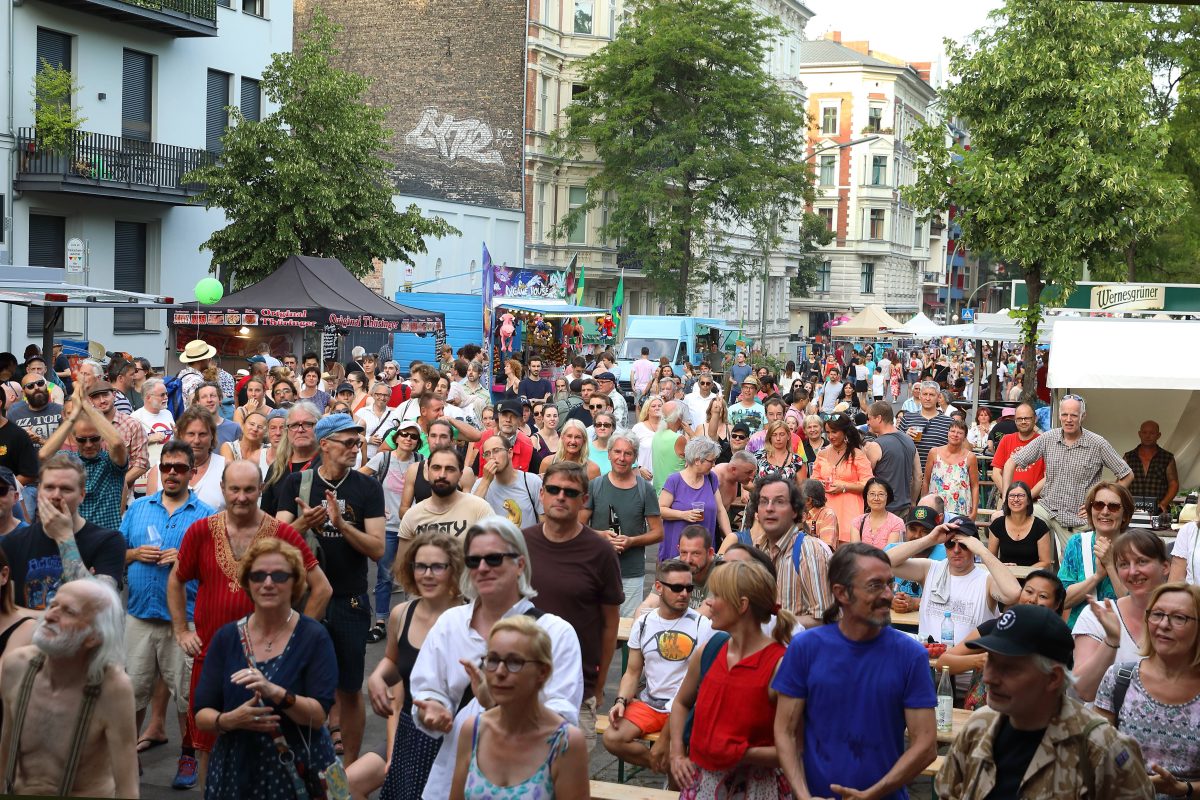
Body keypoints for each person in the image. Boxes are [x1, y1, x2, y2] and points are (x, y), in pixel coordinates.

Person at [168, 459, 330, 774]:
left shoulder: (281, 533)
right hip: (212, 659)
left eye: (248, 490)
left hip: (270, 663)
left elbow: (322, 588)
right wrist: (181, 630)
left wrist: (297, 639)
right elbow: (176, 579)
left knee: (271, 748)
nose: (241, 497)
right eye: (234, 490)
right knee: (210, 747)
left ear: (260, 490)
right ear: (222, 489)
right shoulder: (201, 531)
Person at [408, 517, 583, 799]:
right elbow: (428, 686)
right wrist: (432, 709)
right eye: (474, 561)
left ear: (520, 564)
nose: (483, 568)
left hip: (527, 784)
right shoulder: (450, 623)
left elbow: (562, 717)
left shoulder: (555, 633)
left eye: (494, 558)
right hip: (451, 777)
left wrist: (500, 706)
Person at [934, 604, 1154, 799]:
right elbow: (948, 791)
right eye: (991, 661)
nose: (990, 677)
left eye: (1009, 668)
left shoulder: (1101, 748)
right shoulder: (978, 727)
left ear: (1053, 678)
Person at [774, 543, 937, 798]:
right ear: (842, 593)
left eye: (889, 584)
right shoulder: (806, 648)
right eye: (875, 585)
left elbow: (926, 746)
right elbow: (785, 731)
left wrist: (873, 793)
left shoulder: (911, 655)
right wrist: (803, 796)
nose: (887, 595)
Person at [276, 413, 386, 765]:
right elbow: (276, 543)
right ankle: (303, 763)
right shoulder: (295, 483)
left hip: (349, 599)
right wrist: (303, 523)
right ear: (324, 445)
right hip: (302, 600)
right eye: (349, 442)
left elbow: (377, 548)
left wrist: (341, 524)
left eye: (359, 442)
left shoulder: (367, 487)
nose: (356, 449)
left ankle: (351, 771)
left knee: (350, 689)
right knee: (296, 682)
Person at [193, 538, 338, 798]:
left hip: (297, 774)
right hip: (236, 772)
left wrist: (275, 692)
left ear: (295, 582)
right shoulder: (226, 638)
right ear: (248, 582)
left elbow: (318, 717)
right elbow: (202, 714)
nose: (268, 583)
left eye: (279, 575)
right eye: (258, 575)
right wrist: (227, 720)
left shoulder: (314, 637)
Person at [121, 440, 216, 788]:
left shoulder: (206, 515)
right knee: (131, 692)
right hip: (140, 617)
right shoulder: (139, 508)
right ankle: (125, 756)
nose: (172, 473)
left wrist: (185, 561)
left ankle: (188, 757)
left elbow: (217, 570)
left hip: (185, 622)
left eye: (179, 467)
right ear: (158, 470)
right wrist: (133, 554)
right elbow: (117, 551)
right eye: (166, 467)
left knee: (188, 696)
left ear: (192, 472)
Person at [0, 580, 138, 798]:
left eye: (69, 612)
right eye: (53, 605)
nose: (49, 616)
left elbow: (127, 787)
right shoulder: (15, 666)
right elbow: (5, 753)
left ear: (94, 636)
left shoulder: (113, 689)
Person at [523, 462, 624, 746]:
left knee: (568, 782)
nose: (561, 497)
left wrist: (599, 685)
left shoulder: (600, 551)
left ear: (584, 500)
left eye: (570, 492)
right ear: (541, 494)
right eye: (553, 489)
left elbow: (609, 624)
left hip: (575, 688)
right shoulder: (520, 544)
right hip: (521, 684)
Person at [362, 532, 465, 800]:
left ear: (454, 569)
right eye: (420, 566)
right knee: (346, 783)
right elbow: (394, 663)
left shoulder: (468, 619)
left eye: (437, 566)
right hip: (408, 731)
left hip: (452, 738)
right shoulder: (402, 613)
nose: (427, 574)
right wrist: (377, 677)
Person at [449, 615, 590, 799]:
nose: (500, 672)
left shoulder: (564, 743)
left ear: (543, 671)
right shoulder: (474, 731)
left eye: (514, 662)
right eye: (492, 660)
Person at [604, 558, 712, 773]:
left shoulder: (702, 625)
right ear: (660, 588)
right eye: (677, 588)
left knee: (676, 759)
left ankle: (676, 774)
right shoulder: (643, 624)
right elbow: (633, 672)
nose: (684, 594)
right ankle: (670, 767)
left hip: (686, 707)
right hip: (650, 704)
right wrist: (621, 701)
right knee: (612, 738)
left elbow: (703, 682)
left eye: (689, 588)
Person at [1095, 582, 1200, 799]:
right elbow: (1093, 755)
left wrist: (1185, 789)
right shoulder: (1119, 678)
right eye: (1157, 614)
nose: (1163, 624)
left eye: (1179, 617)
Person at [1004, 394, 1133, 559]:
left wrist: (1101, 504)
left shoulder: (1097, 443)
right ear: (1059, 416)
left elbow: (1127, 474)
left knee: (1075, 567)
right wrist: (1008, 498)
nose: (1069, 419)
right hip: (1046, 509)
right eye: (1065, 415)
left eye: (1074, 415)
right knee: (1003, 519)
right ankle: (1014, 572)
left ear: (1083, 416)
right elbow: (1010, 463)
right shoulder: (1048, 438)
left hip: (1077, 519)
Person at [2, 454, 126, 610]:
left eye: (66, 489)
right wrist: (86, 581)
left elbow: (99, 608)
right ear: (39, 491)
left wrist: (64, 537)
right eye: (49, 487)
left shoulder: (109, 541)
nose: (56, 495)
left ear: (82, 495)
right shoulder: (13, 542)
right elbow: (7, 612)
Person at [934, 570, 1066, 702]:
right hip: (982, 715)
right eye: (1029, 592)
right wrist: (978, 660)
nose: (1032, 600)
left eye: (1043, 596)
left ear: (1057, 604)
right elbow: (943, 663)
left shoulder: (1057, 641)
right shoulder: (997, 627)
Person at [1072, 529, 1172, 703]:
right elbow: (1083, 690)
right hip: (1107, 727)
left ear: (1165, 567)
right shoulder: (1097, 615)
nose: (1132, 571)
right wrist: (1111, 640)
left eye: (1142, 561)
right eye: (1124, 564)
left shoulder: (1186, 618)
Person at [887, 517, 1021, 645]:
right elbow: (885, 562)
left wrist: (982, 551)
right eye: (950, 543)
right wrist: (930, 539)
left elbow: (1013, 593)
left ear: (974, 545)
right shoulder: (929, 569)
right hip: (929, 661)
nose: (956, 550)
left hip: (968, 664)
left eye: (963, 544)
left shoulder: (986, 580)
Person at [581, 430, 663, 617]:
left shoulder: (645, 489)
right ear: (609, 454)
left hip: (631, 571)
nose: (621, 458)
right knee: (594, 624)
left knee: (628, 629)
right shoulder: (595, 486)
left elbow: (658, 532)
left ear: (634, 456)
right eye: (617, 452)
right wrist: (601, 536)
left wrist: (631, 541)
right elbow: (578, 526)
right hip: (596, 568)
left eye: (627, 453)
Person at [744, 476, 833, 628]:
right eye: (764, 501)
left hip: (798, 648)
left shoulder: (810, 551)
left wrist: (771, 624)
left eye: (779, 502)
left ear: (794, 511)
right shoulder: (758, 550)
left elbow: (824, 619)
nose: (770, 508)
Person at [40, 384, 129, 532]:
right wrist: (73, 416)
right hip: (74, 539)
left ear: (102, 437)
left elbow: (118, 444)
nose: (88, 445)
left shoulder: (111, 462)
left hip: (105, 541)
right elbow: (43, 455)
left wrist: (87, 406)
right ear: (74, 438)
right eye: (82, 440)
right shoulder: (68, 462)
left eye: (94, 439)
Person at [398, 446, 494, 562]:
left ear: (460, 474)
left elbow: (493, 559)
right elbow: (403, 569)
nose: (442, 475)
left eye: (450, 469)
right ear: (428, 472)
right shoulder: (412, 516)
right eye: (436, 468)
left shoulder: (480, 509)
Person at [1059, 480, 1134, 627]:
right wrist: (1097, 576)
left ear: (1125, 515)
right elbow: (1062, 601)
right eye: (1098, 505)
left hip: (1122, 633)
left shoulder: (1134, 548)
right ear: (1090, 510)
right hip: (1081, 632)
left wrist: (1110, 566)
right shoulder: (1077, 543)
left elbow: (1134, 603)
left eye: (1113, 507)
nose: (1105, 512)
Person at [659, 437, 733, 560]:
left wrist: (730, 537)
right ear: (698, 460)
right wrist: (683, 515)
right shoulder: (674, 480)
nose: (714, 465)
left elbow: (720, 510)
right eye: (711, 461)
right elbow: (660, 509)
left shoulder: (711, 478)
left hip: (705, 548)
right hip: (678, 550)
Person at [810, 412, 874, 545]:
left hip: (850, 511)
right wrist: (819, 484)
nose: (830, 436)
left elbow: (869, 484)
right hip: (825, 510)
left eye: (834, 432)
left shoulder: (857, 454)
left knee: (847, 555)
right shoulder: (822, 453)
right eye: (827, 432)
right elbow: (814, 480)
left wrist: (844, 486)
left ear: (845, 432)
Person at [146, 407, 227, 512]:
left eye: (202, 434)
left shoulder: (226, 468)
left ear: (212, 436)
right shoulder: (159, 471)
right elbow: (149, 515)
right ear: (181, 435)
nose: (197, 440)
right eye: (191, 434)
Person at [261, 402, 323, 516]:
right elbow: (265, 515)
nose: (300, 430)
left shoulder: (327, 466)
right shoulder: (276, 468)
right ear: (287, 431)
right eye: (294, 425)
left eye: (308, 424)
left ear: (319, 427)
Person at [472, 434, 544, 528]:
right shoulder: (480, 484)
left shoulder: (532, 481)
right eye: (487, 454)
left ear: (510, 453)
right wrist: (486, 481)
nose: (492, 457)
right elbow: (471, 517)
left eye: (496, 451)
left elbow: (544, 524)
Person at [865, 401, 921, 518]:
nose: (868, 422)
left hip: (882, 509)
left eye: (869, 418)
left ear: (879, 418)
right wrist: (913, 501)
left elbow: (865, 479)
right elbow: (918, 476)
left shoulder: (875, 445)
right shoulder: (909, 441)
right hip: (905, 508)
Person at [922, 418, 979, 520]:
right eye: (952, 431)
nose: (955, 435)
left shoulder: (970, 457)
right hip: (934, 508)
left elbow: (975, 486)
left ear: (964, 437)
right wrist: (923, 505)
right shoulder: (934, 453)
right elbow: (926, 481)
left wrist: (974, 511)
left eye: (960, 433)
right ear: (948, 433)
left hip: (960, 510)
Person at [988, 481, 1053, 568]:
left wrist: (1022, 571)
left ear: (1029, 500)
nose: (1016, 499)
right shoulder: (998, 524)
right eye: (1012, 496)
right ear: (1007, 500)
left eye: (1021, 496)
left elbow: (1045, 562)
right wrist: (1003, 567)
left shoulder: (1040, 526)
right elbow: (990, 558)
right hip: (1004, 575)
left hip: (1031, 577)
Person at [1123, 420, 1180, 516]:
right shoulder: (1128, 457)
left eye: (1152, 433)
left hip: (1159, 511)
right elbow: (1121, 484)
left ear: (1159, 435)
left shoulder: (1167, 457)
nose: (1147, 436)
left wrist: (1163, 503)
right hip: (1133, 510)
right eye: (1144, 432)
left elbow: (1173, 483)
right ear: (1139, 434)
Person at [989, 403, 1042, 499]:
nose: (1023, 422)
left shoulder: (1043, 442)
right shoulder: (1006, 440)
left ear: (1035, 419)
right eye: (1019, 419)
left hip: (1036, 502)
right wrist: (1010, 497)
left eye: (1027, 418)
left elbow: (1047, 477)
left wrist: (1026, 498)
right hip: (1008, 500)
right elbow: (996, 473)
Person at [897, 381, 953, 471]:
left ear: (938, 397)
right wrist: (905, 437)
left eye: (931, 395)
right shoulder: (907, 418)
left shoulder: (949, 422)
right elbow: (895, 446)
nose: (927, 398)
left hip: (939, 474)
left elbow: (957, 449)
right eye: (925, 394)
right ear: (920, 396)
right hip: (912, 474)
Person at [7, 368, 63, 447]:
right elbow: (9, 445)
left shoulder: (61, 411)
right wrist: (22, 437)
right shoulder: (14, 414)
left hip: (55, 459)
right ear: (24, 393)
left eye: (40, 383)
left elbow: (69, 448)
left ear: (46, 386)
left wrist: (40, 441)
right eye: (30, 386)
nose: (36, 387)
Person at [852, 477, 906, 550]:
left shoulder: (896, 523)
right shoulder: (857, 522)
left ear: (888, 497)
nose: (876, 498)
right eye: (872, 494)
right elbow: (854, 552)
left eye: (881, 494)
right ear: (866, 496)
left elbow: (890, 554)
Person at [192, 382, 242, 449]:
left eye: (213, 396)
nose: (209, 400)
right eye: (204, 397)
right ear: (198, 402)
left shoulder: (234, 428)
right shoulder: (191, 428)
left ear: (220, 399)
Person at [131, 377, 175, 445]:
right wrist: (149, 439)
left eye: (166, 394)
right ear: (148, 397)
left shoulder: (167, 413)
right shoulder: (135, 417)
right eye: (162, 395)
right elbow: (129, 444)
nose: (166, 397)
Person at [800, 478, 840, 550]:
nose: (796, 500)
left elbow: (826, 548)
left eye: (799, 497)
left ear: (808, 500)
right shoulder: (798, 513)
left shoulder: (828, 515)